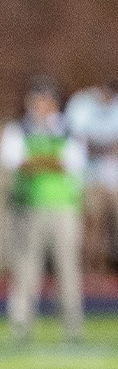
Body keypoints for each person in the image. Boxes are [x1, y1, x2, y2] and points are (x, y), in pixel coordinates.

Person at [1, 77, 86, 344]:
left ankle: (72, 326)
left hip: (64, 207)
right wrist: (50, 161)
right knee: (26, 268)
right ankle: (21, 325)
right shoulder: (19, 129)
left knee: (68, 267)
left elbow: (72, 163)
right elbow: (14, 161)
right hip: (29, 206)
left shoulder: (67, 129)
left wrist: (36, 161)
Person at [65, 78, 118, 275]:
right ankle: (88, 267)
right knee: (91, 223)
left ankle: (104, 266)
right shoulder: (82, 105)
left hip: (110, 177)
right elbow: (80, 143)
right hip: (88, 176)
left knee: (107, 223)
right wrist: (104, 147)